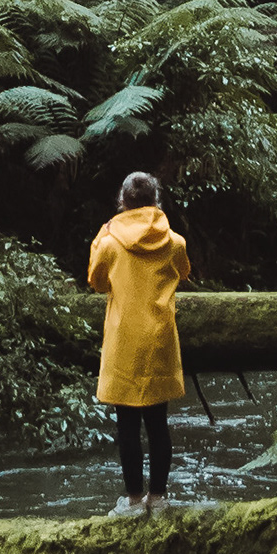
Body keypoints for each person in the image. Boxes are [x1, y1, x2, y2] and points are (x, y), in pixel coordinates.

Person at [84, 169, 191, 508]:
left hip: (124, 340)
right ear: (155, 202)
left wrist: (103, 237)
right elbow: (183, 272)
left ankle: (132, 501)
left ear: (122, 202)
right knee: (158, 423)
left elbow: (96, 281)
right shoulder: (174, 243)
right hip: (159, 339)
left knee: (127, 425)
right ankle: (157, 498)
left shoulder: (110, 241)